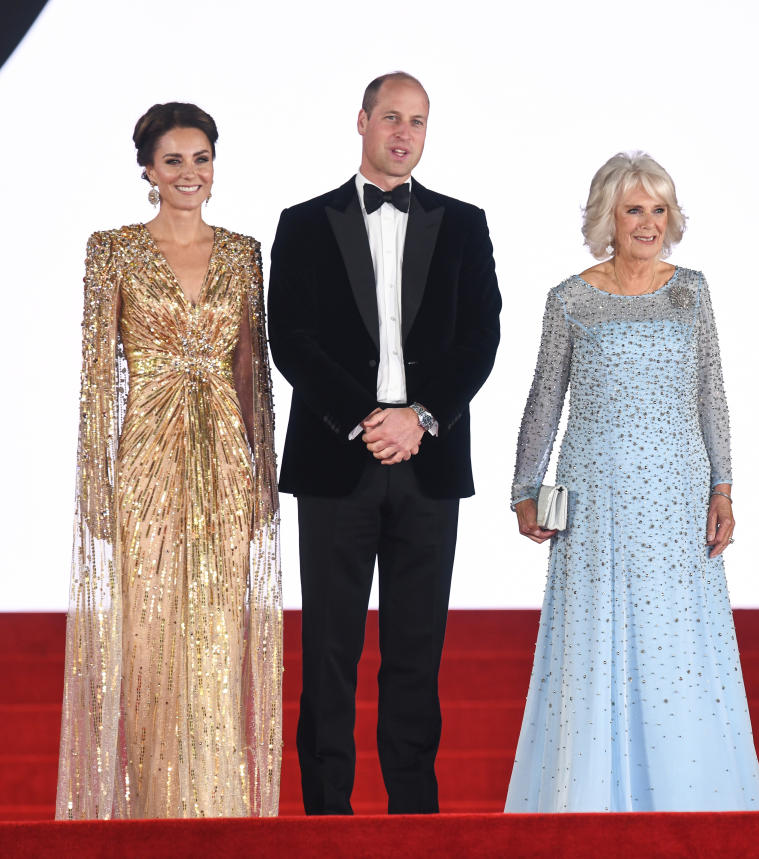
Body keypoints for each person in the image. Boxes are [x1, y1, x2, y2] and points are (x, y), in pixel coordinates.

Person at [505, 152, 759, 812]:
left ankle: (685, 806)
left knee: (676, 649)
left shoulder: (693, 291)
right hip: (593, 498)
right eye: (634, 210)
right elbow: (545, 398)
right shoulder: (570, 299)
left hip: (678, 497)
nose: (649, 223)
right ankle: (593, 806)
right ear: (608, 218)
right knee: (594, 647)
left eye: (658, 209)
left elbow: (712, 393)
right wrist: (523, 487)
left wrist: (724, 488)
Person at [267, 72, 501, 815]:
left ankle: (414, 818)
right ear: (362, 121)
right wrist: (366, 418)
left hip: (429, 465)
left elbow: (481, 337)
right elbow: (291, 339)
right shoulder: (304, 222)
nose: (405, 134)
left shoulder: (464, 222)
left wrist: (420, 416)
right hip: (338, 462)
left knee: (415, 653)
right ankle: (327, 816)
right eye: (392, 118)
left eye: (419, 122)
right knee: (329, 654)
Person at [56, 103, 283, 819]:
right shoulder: (112, 250)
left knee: (216, 637)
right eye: (175, 160)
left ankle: (219, 810)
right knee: (152, 643)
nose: (191, 173)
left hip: (223, 457)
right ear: (148, 171)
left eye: (202, 157)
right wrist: (97, 479)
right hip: (147, 456)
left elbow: (253, 369)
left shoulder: (245, 252)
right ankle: (158, 815)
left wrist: (263, 477)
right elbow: (97, 376)